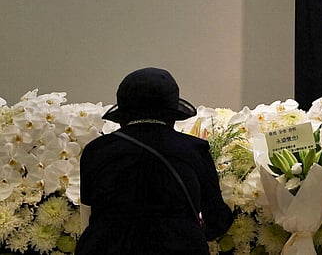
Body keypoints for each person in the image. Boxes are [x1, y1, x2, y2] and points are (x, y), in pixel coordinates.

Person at [76, 67, 233, 255]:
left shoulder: (97, 150)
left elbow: (87, 217)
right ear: (172, 113)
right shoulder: (194, 150)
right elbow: (216, 220)